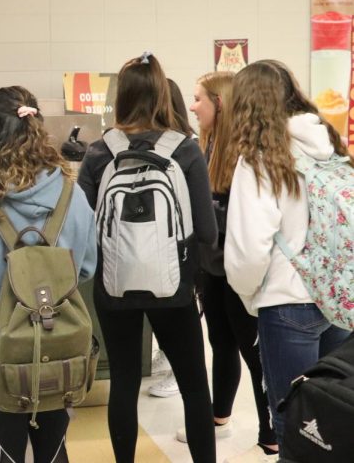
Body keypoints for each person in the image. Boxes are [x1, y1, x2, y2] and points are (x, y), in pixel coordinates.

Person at [0, 86, 97, 463]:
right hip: (61, 342)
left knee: (6, 452)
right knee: (55, 447)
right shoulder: (71, 193)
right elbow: (86, 268)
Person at [78, 52, 218, 463]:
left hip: (113, 285)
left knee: (123, 380)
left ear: (121, 95)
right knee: (194, 385)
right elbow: (207, 232)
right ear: (162, 93)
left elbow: (85, 228)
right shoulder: (185, 150)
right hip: (173, 286)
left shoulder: (100, 151)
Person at [224, 60, 351, 455]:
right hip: (337, 300)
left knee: (294, 421)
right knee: (335, 419)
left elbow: (249, 249)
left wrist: (249, 298)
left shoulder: (260, 157)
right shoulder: (330, 144)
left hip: (286, 303)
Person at [187, 71, 278, 461]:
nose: (193, 107)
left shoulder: (246, 156)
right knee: (219, 344)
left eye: (199, 99)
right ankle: (219, 414)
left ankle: (271, 432)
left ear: (219, 103)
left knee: (254, 353)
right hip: (213, 269)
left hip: (241, 273)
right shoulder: (203, 148)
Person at [147, 78, 195, 400]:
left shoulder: (184, 147)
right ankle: (168, 355)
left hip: (176, 248)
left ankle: (174, 366)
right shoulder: (179, 146)